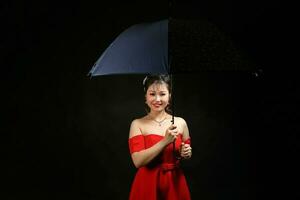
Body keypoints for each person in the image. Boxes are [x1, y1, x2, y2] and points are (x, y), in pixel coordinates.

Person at [128, 74, 192, 200]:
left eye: (162, 94)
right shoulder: (137, 124)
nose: (157, 99)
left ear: (169, 96)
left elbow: (184, 152)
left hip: (175, 182)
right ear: (145, 97)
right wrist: (165, 141)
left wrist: (185, 153)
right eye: (152, 94)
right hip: (147, 183)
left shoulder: (180, 122)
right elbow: (138, 161)